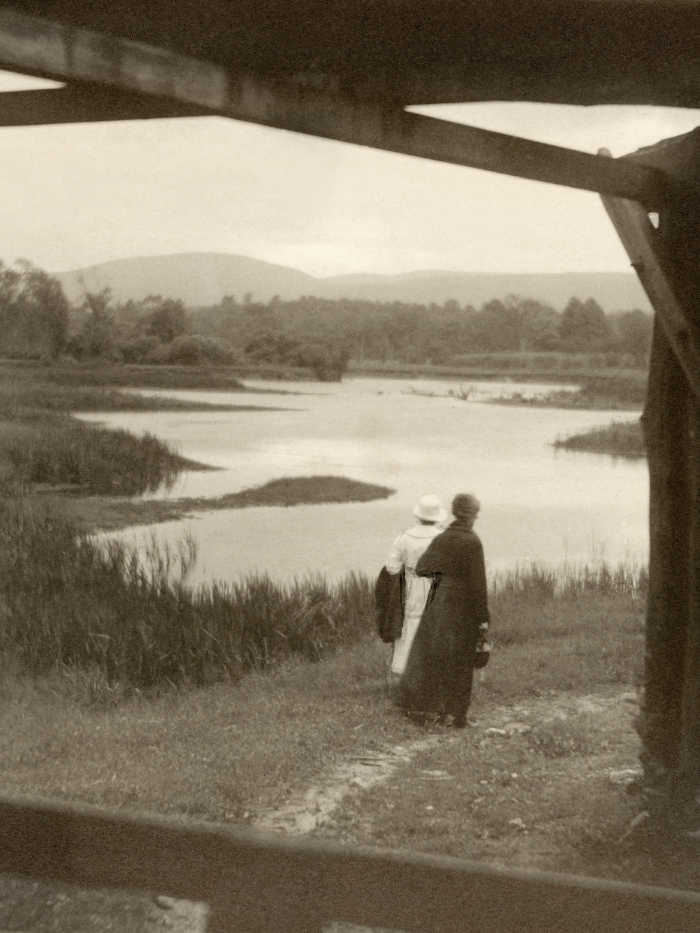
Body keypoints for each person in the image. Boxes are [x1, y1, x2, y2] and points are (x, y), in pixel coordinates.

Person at [398, 492, 490, 728]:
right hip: (463, 606)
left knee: (436, 655)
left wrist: (444, 578)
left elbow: (421, 568)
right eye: (476, 513)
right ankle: (457, 716)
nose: (477, 517)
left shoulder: (442, 538)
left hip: (438, 602)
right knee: (461, 659)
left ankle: (432, 710)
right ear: (469, 515)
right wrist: (483, 619)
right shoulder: (472, 541)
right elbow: (478, 584)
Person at [383, 495, 447, 684]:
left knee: (410, 626)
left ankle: (406, 673)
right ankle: (434, 675)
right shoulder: (443, 537)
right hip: (437, 586)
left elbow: (391, 567)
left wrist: (409, 567)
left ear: (418, 515)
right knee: (435, 626)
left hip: (412, 586)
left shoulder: (405, 537)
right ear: (436, 516)